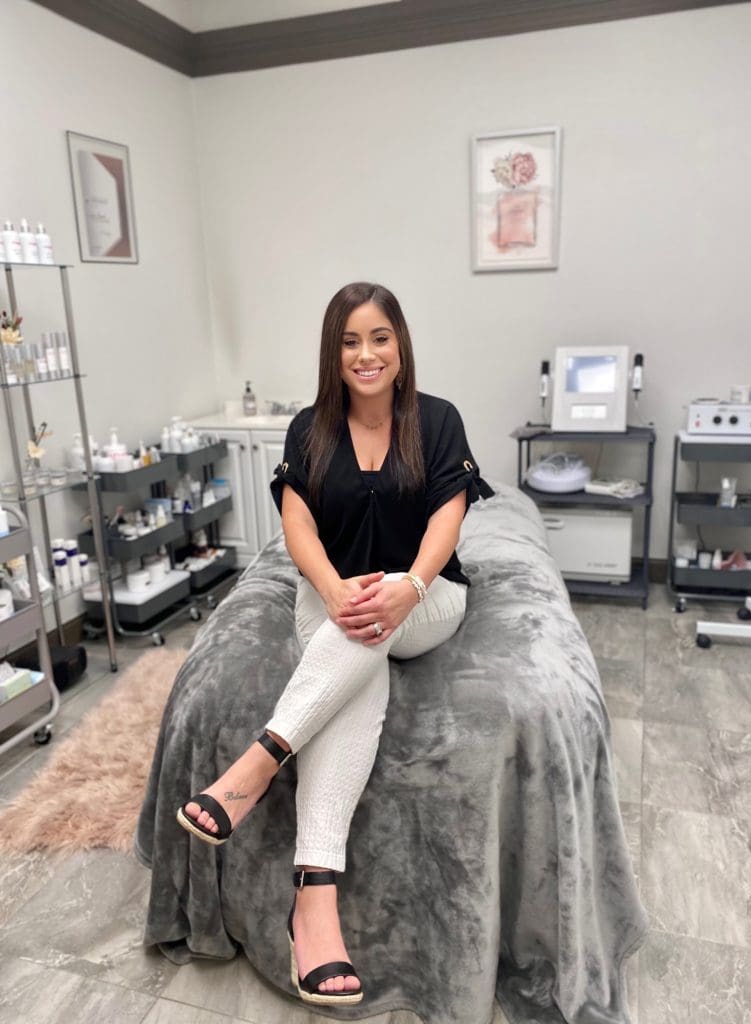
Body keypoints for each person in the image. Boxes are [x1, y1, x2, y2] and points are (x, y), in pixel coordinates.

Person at [177, 282, 493, 1007]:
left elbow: (447, 521)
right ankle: (314, 907)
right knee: (358, 657)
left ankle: (258, 763)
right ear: (334, 353)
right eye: (350, 341)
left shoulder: (439, 420)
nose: (365, 354)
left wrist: (409, 586)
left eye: (379, 337)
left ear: (400, 345)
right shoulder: (308, 429)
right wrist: (333, 589)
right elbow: (298, 527)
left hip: (427, 595)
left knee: (377, 619)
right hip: (330, 597)